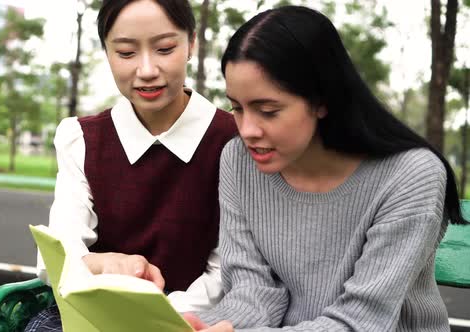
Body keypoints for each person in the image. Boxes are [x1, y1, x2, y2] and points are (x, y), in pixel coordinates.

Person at [184, 5, 468, 332]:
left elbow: (363, 321)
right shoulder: (238, 160)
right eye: (236, 108)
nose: (247, 130)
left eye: (268, 110)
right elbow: (252, 291)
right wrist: (202, 326)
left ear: (322, 100)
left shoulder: (410, 176)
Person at [25, 0, 237, 331]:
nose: (147, 70)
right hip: (92, 318)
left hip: (188, 321)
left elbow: (227, 273)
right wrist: (105, 263)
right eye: (126, 53)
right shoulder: (82, 139)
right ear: (107, 52)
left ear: (192, 43)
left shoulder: (234, 141)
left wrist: (154, 316)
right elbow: (56, 256)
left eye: (165, 48)